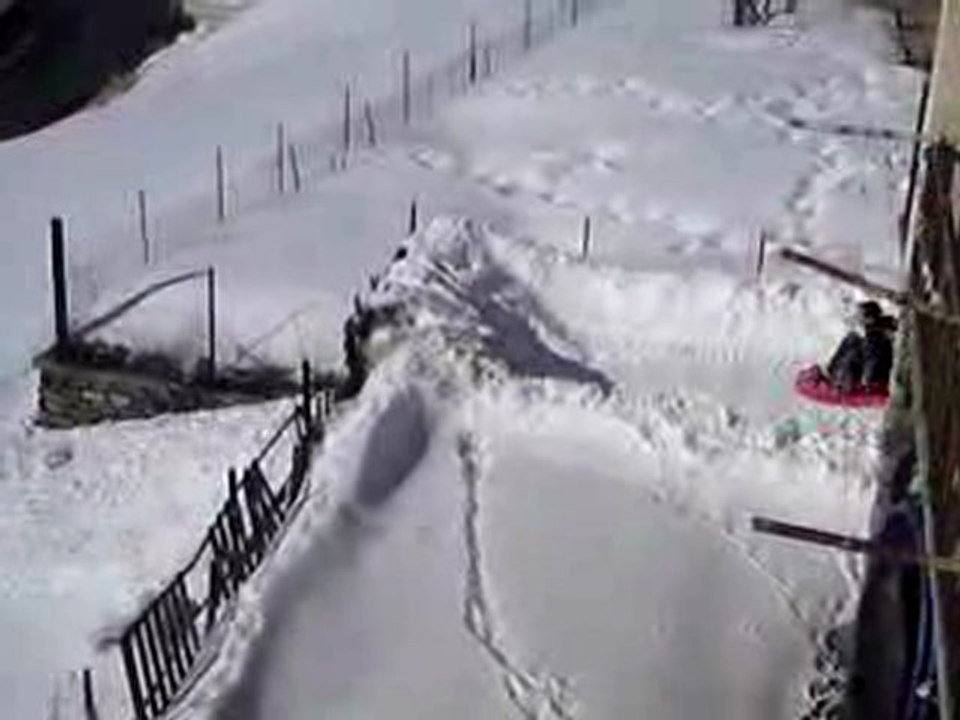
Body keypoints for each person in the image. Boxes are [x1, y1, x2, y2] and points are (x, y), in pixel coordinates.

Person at [823, 300, 896, 393]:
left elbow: (873, 359)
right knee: (852, 338)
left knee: (856, 349)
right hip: (867, 375)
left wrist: (868, 382)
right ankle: (833, 376)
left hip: (876, 380)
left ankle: (842, 381)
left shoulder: (878, 335)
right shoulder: (872, 330)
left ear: (870, 318)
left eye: (862, 317)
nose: (860, 320)